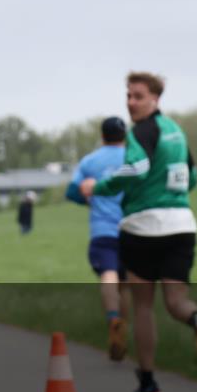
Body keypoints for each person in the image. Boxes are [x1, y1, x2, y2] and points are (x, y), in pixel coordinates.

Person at [81, 72, 197, 392]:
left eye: (138, 96)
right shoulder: (177, 132)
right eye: (128, 96)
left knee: (143, 306)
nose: (131, 102)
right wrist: (170, 194)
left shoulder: (140, 132)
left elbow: (137, 169)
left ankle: (148, 383)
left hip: (142, 227)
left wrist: (99, 187)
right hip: (182, 226)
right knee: (176, 302)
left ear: (155, 99)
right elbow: (193, 178)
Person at [66, 116, 130, 361]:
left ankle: (113, 319)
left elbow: (72, 191)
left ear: (102, 136)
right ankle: (123, 330)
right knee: (126, 282)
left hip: (102, 229)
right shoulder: (133, 158)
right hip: (132, 228)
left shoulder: (90, 161)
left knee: (108, 274)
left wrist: (90, 200)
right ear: (125, 136)